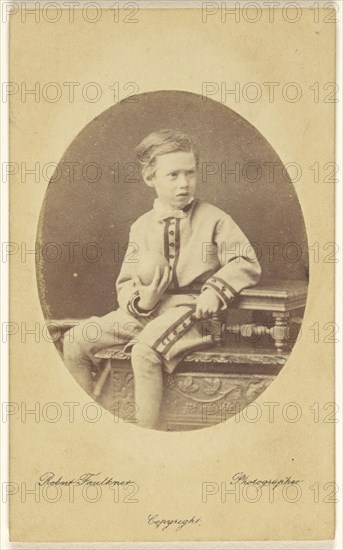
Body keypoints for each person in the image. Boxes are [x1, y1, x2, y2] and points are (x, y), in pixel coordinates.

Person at [63, 129, 261, 428]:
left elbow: (245, 260)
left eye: (190, 173)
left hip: (195, 312)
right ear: (150, 178)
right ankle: (90, 426)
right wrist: (143, 301)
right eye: (173, 175)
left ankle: (144, 436)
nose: (184, 183)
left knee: (145, 351)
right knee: (76, 340)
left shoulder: (214, 219)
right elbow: (127, 281)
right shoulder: (141, 227)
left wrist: (214, 291)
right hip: (149, 311)